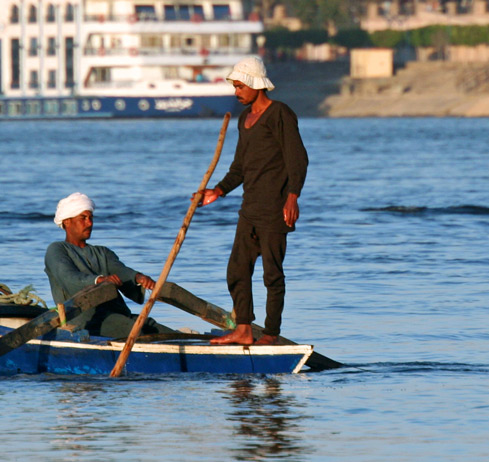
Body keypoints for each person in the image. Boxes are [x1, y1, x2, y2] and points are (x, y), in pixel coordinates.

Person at [194, 56, 309, 346]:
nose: (236, 92)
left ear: (256, 85)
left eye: (240, 86)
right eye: (234, 87)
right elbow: (240, 168)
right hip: (250, 210)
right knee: (237, 269)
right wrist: (217, 191)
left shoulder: (280, 113)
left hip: (275, 209)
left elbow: (298, 159)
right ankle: (244, 328)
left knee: (272, 273)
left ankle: (270, 333)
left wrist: (292, 197)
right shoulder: (245, 120)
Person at [44, 192, 175, 338]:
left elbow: (121, 271)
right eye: (83, 218)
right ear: (67, 222)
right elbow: (69, 278)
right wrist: (99, 280)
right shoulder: (57, 250)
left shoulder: (102, 252)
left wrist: (138, 278)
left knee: (164, 332)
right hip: (85, 321)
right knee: (138, 332)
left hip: (118, 315)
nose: (89, 223)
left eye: (91, 218)